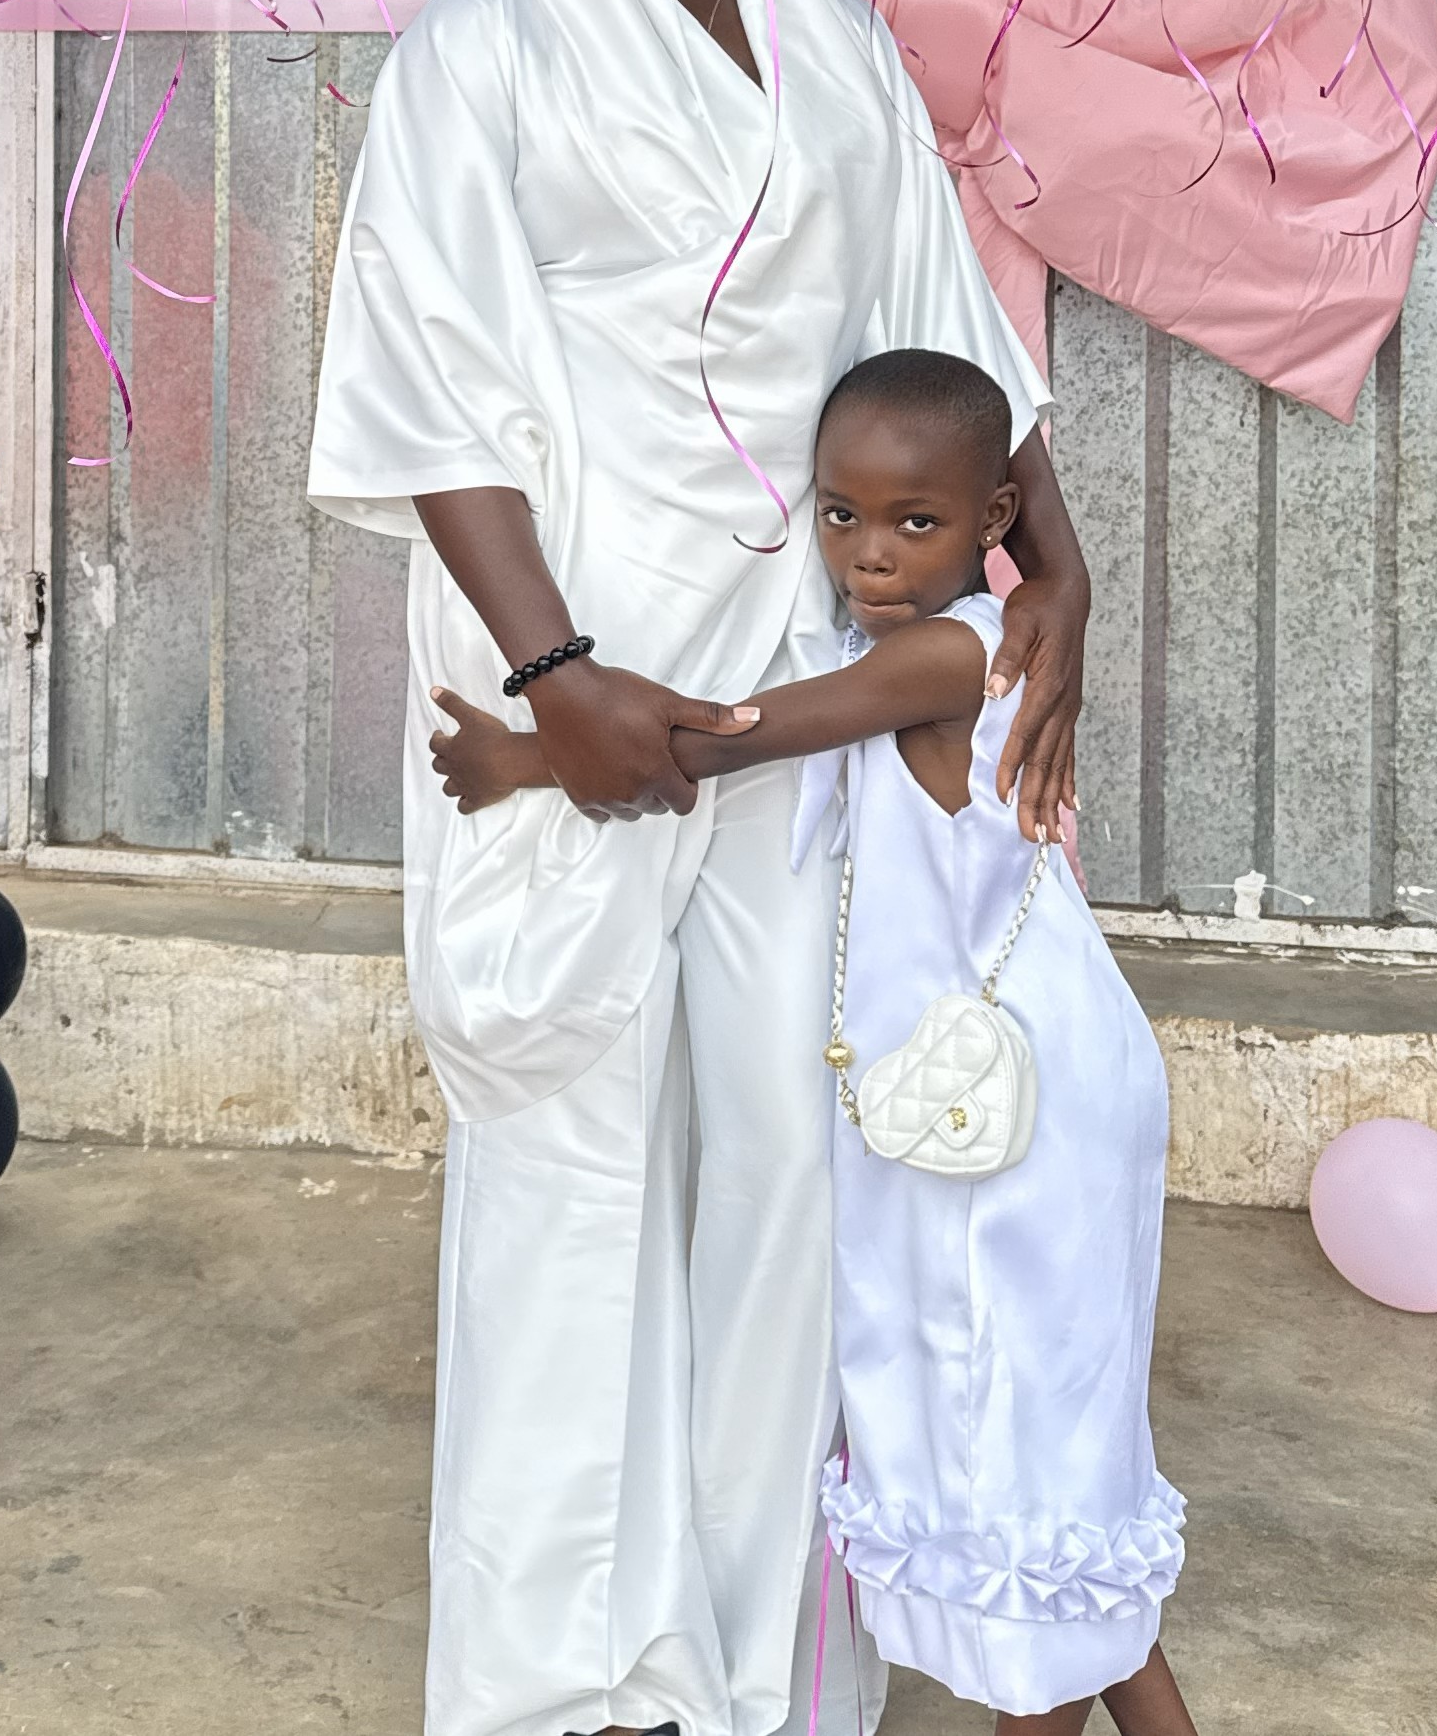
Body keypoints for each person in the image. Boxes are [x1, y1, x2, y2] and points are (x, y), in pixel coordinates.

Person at [307, 0, 1092, 1736]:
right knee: (565, 1152)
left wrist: (1065, 573)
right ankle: (565, 1682)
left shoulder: (835, 49)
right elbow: (427, 386)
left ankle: (754, 1663)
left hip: (796, 666)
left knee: (780, 1154)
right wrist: (557, 671)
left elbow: (945, 344)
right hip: (565, 672)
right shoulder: (479, 44)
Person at [429, 349, 1195, 1736]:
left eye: (917, 522)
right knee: (1033, 1461)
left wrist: (522, 756)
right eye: (840, 514)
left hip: (1022, 1099)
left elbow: (724, 737)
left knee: (1024, 1460)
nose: (870, 553)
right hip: (979, 1085)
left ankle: (1051, 1696)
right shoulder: (918, 645)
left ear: (998, 517)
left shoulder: (949, 655)